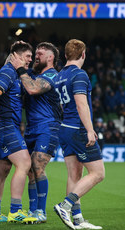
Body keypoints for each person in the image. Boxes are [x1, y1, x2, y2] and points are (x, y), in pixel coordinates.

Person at [54, 39, 105, 230]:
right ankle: (65, 206)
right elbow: (81, 104)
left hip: (64, 128)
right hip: (78, 129)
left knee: (74, 174)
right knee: (98, 173)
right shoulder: (80, 74)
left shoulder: (59, 76)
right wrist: (90, 130)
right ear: (83, 54)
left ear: (66, 55)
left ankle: (77, 219)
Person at [0, 41, 37, 224]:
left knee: (1, 171)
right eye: (28, 56)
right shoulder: (7, 72)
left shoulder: (15, 74)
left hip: (7, 126)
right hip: (5, 126)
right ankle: (15, 211)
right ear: (17, 56)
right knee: (24, 163)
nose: (30, 60)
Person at [10, 42, 62, 223]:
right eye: (34, 54)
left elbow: (32, 89)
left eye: (40, 53)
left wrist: (21, 70)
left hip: (48, 127)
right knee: (30, 171)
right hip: (31, 129)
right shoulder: (31, 73)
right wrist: (15, 52)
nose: (35, 56)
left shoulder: (52, 75)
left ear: (50, 58)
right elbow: (15, 65)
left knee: (38, 166)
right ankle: (32, 212)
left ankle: (41, 212)